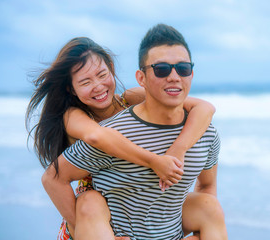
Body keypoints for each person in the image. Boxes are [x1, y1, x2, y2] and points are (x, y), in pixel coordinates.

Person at [41, 24, 227, 239]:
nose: (98, 86)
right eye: (85, 82)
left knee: (208, 206)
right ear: (70, 89)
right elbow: (98, 137)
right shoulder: (75, 116)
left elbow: (203, 107)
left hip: (149, 206)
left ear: (111, 68)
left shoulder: (129, 97)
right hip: (94, 207)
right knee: (89, 202)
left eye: (102, 75)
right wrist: (154, 161)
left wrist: (178, 149)